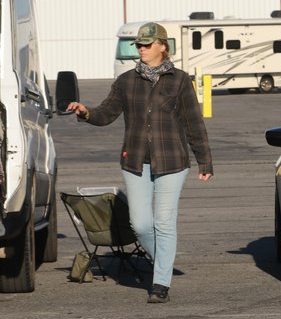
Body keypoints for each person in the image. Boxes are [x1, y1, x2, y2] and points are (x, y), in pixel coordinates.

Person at [67, 22, 213, 303]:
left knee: (164, 221)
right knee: (141, 224)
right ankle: (164, 262)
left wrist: (204, 162)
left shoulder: (180, 81)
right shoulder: (126, 81)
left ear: (162, 46)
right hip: (135, 161)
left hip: (172, 161)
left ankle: (160, 284)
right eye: (139, 45)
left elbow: (193, 124)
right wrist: (85, 112)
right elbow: (106, 113)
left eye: (147, 44)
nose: (142, 49)